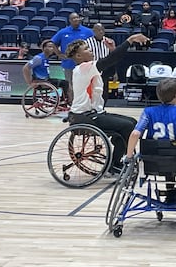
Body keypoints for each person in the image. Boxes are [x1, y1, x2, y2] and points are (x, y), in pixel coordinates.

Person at [65, 33, 149, 173]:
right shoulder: (84, 68)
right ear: (78, 56)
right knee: (128, 126)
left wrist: (112, 49)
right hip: (85, 116)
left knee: (132, 122)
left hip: (91, 113)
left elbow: (109, 67)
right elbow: (110, 60)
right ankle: (115, 163)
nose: (90, 50)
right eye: (86, 49)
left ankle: (116, 159)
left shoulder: (87, 69)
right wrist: (129, 40)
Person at [125, 78, 176, 202]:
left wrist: (129, 156)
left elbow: (135, 133)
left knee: (165, 157)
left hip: (152, 162)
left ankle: (170, 191)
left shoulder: (148, 112)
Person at [52, 13, 95, 103]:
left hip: (84, 64)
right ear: (70, 20)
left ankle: (84, 102)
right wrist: (59, 54)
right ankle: (72, 103)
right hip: (68, 64)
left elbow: (94, 44)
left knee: (84, 84)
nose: (76, 19)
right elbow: (52, 43)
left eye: (77, 18)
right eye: (73, 18)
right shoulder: (63, 32)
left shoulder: (88, 31)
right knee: (70, 85)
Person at [84, 23, 117, 102]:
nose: (101, 32)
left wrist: (115, 72)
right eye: (98, 30)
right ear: (94, 31)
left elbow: (114, 57)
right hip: (92, 69)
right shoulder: (87, 42)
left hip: (105, 69)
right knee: (92, 90)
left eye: (102, 30)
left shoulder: (109, 41)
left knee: (104, 91)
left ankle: (102, 108)